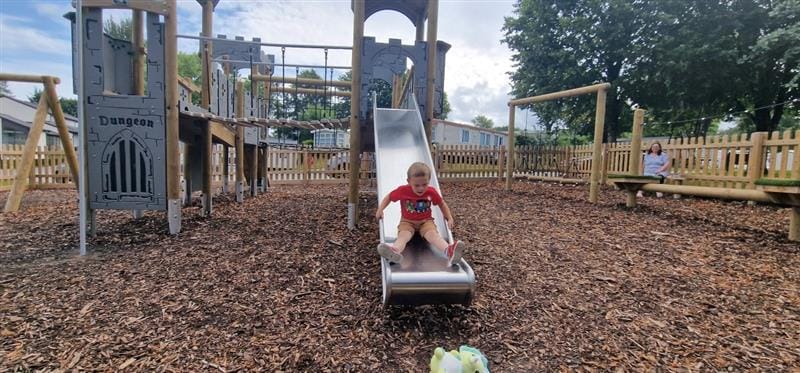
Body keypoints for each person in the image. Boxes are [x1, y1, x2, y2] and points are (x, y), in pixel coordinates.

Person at [375, 162, 466, 266]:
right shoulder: (403, 190)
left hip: (426, 222)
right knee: (403, 236)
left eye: (424, 184)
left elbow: (442, 204)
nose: (421, 188)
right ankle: (394, 252)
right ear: (409, 181)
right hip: (407, 221)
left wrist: (449, 217)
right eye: (417, 185)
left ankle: (449, 251)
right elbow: (389, 197)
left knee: (433, 236)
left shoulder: (431, 192)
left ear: (429, 181)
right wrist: (380, 209)